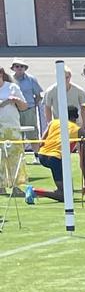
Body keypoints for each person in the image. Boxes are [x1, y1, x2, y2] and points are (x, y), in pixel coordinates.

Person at [25, 106, 85, 204]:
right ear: (76, 117)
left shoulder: (53, 123)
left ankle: (55, 190)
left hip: (42, 156)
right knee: (65, 196)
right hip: (55, 158)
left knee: (66, 190)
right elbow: (83, 160)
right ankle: (34, 191)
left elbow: (41, 143)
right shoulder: (79, 131)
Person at [0, 66, 27, 196]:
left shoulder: (12, 87)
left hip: (12, 127)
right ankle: (1, 187)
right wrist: (4, 102)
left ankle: (16, 187)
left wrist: (16, 100)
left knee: (15, 157)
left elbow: (24, 106)